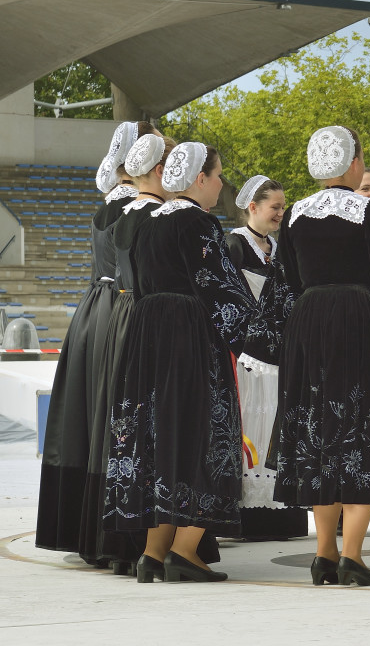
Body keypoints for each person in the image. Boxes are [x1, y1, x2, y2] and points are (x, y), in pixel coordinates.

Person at [265, 126, 370, 586]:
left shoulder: (294, 214)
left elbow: (283, 284)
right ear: (353, 163)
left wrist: (276, 340)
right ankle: (353, 555)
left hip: (310, 325)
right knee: (363, 428)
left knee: (321, 429)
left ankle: (325, 553)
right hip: (361, 323)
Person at [104, 142, 256, 583]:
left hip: (146, 334)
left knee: (159, 439)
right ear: (199, 179)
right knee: (199, 435)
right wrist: (262, 338)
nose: (222, 183)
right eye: (218, 175)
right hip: (188, 337)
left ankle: (152, 553)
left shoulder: (146, 220)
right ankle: (185, 550)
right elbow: (222, 288)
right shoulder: (199, 222)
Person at [37, 121, 142, 562]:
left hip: (93, 311)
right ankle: (114, 534)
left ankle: (88, 531)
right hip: (119, 309)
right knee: (111, 415)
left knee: (88, 417)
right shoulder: (135, 209)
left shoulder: (107, 205)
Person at [79, 131, 177, 572]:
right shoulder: (157, 214)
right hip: (144, 316)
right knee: (147, 424)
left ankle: (116, 535)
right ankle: (145, 537)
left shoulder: (114, 209)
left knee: (115, 424)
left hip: (108, 312)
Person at [225, 175, 309, 542]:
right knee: (250, 422)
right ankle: (247, 512)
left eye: (283, 206)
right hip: (246, 352)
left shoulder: (278, 247)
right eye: (275, 206)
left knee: (276, 419)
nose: (281, 212)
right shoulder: (234, 244)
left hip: (279, 352)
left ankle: (280, 512)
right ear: (252, 207)